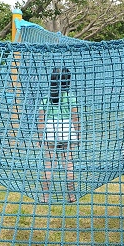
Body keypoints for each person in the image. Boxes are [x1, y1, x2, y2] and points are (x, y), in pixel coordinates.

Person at [38, 67, 79, 202]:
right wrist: (77, 134)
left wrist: (40, 137)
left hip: (50, 129)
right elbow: (74, 117)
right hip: (66, 128)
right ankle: (71, 196)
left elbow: (41, 120)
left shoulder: (45, 99)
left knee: (49, 165)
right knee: (68, 165)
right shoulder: (70, 97)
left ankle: (45, 197)